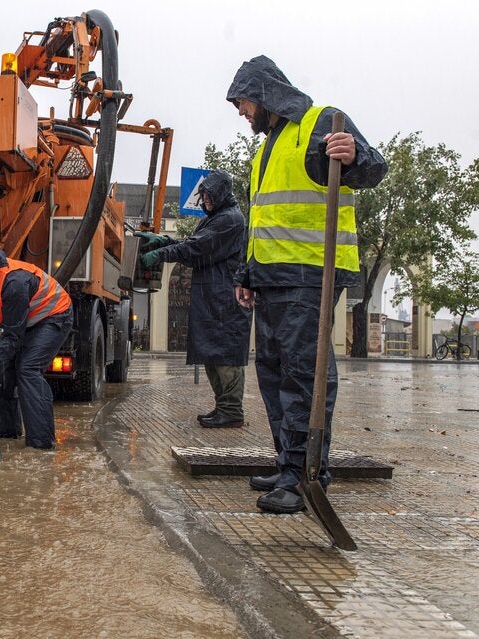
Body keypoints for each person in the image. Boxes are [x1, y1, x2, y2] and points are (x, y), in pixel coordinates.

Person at [226, 56, 388, 513]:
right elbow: (262, 220)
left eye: (241, 102)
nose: (240, 112)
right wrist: (247, 273)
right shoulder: (266, 150)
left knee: (304, 377)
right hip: (272, 277)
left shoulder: (320, 123)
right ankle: (287, 464)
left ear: (262, 94)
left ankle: (305, 476)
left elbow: (374, 168)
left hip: (311, 272)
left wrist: (355, 155)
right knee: (274, 374)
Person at [139, 170, 253, 428]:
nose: (205, 201)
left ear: (222, 194)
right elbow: (196, 244)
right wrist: (164, 241)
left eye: (209, 195)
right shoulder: (217, 218)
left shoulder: (230, 220)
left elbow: (196, 248)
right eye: (203, 196)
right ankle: (224, 407)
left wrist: (161, 252)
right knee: (213, 355)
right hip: (214, 297)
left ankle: (232, 410)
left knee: (225, 357)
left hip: (224, 300)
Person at [0, 241, 73, 450]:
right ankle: (6, 436)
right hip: (23, 323)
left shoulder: (14, 281)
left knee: (27, 369)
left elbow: (12, 337)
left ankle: (41, 445)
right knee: (1, 371)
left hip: (53, 317)